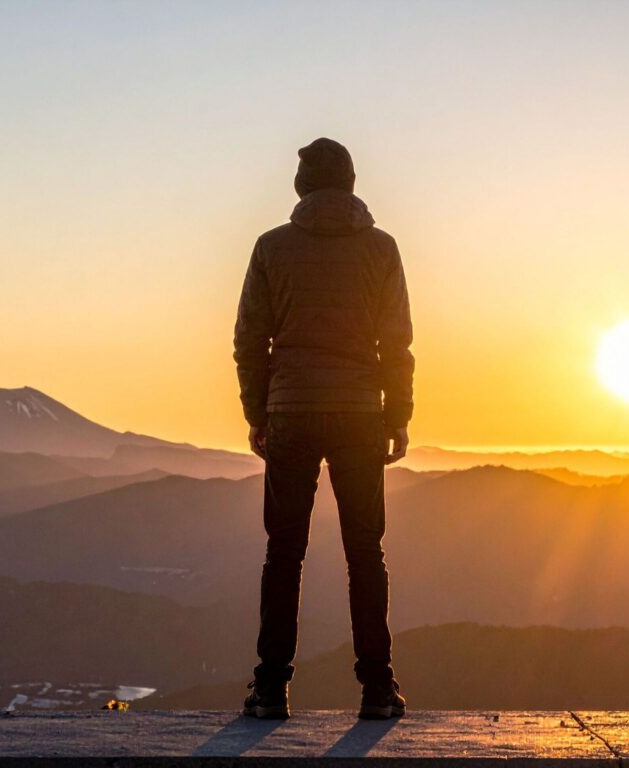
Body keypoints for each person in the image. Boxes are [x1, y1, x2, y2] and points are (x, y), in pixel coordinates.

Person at [233, 137, 414, 720]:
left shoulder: (270, 248)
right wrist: (398, 414)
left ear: (301, 187)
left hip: (290, 411)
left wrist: (257, 412)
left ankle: (269, 689)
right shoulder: (381, 249)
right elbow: (397, 343)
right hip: (361, 413)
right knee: (366, 551)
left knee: (284, 552)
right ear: (352, 183)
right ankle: (378, 690)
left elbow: (248, 340)